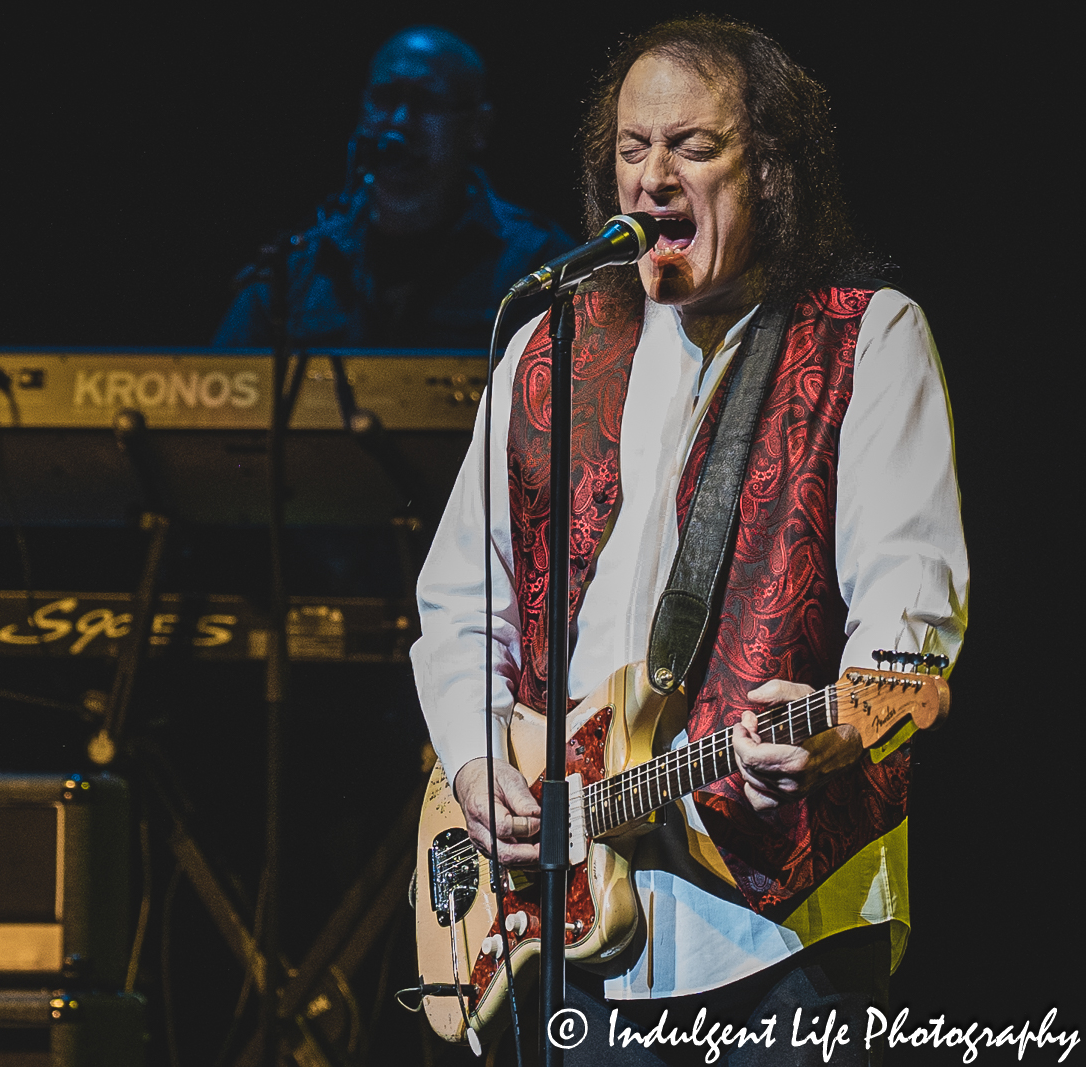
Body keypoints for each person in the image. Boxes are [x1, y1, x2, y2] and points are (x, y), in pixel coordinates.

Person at [411, 16, 968, 1065]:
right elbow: (459, 600)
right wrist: (480, 757)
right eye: (631, 149)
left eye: (691, 147)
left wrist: (835, 731)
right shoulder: (549, 344)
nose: (651, 175)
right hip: (575, 934)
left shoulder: (864, 335)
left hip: (785, 923)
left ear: (771, 169)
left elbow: (908, 612)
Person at [213, 26, 576, 350]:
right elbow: (219, 396)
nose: (399, 123)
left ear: (477, 128)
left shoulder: (538, 260)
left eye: (427, 102)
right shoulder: (297, 268)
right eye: (385, 99)